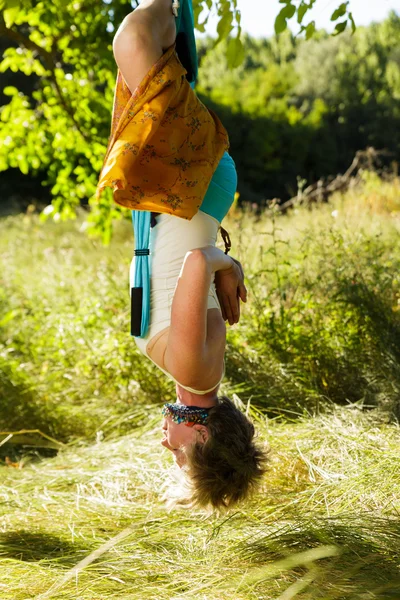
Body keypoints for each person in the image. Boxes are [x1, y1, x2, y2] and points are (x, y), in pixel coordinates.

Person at [109, 0, 268, 509]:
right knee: (133, 41)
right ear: (202, 438)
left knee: (152, 59)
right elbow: (198, 263)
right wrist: (229, 265)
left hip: (180, 191)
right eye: (178, 456)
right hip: (189, 184)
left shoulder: (198, 370)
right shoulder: (196, 372)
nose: (165, 445)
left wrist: (226, 267)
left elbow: (188, 271)